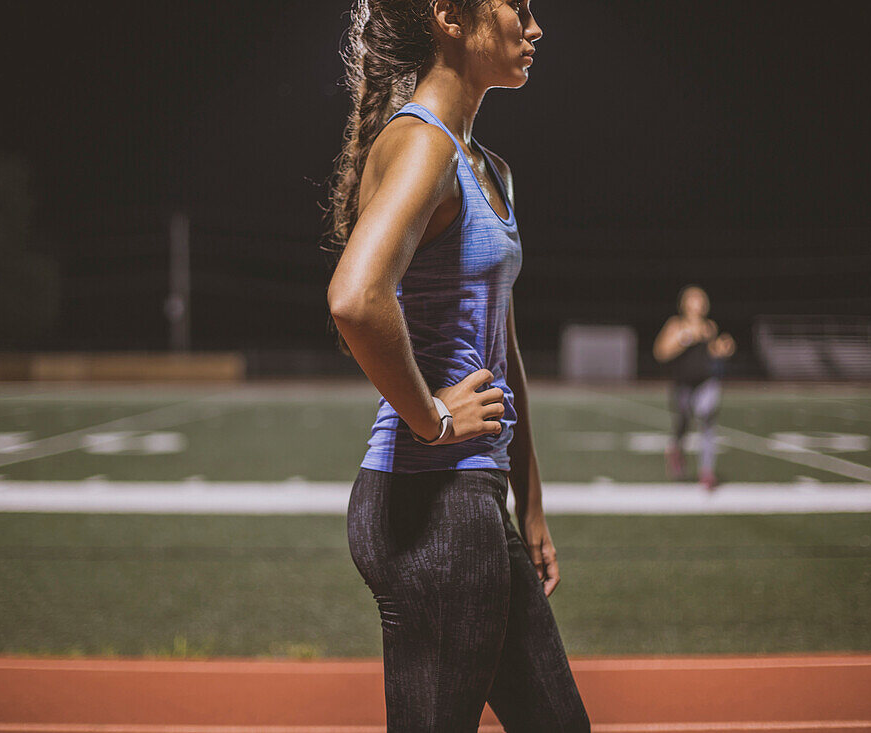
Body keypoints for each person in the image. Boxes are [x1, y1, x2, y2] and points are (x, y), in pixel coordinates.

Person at [324, 1, 590, 730]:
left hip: (475, 499)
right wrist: (435, 418)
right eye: (519, 9)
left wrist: (528, 504)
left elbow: (503, 350)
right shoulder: (422, 145)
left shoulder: (488, 166)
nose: (535, 30)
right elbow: (354, 298)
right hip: (430, 501)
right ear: (448, 14)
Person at [653, 285, 736, 491]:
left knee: (706, 417)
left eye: (701, 299)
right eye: (694, 299)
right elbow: (661, 352)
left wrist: (723, 348)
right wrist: (685, 337)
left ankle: (706, 473)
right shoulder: (675, 325)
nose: (699, 303)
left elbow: (711, 353)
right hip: (683, 384)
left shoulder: (709, 327)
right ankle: (676, 450)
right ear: (684, 304)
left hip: (706, 382)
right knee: (683, 421)